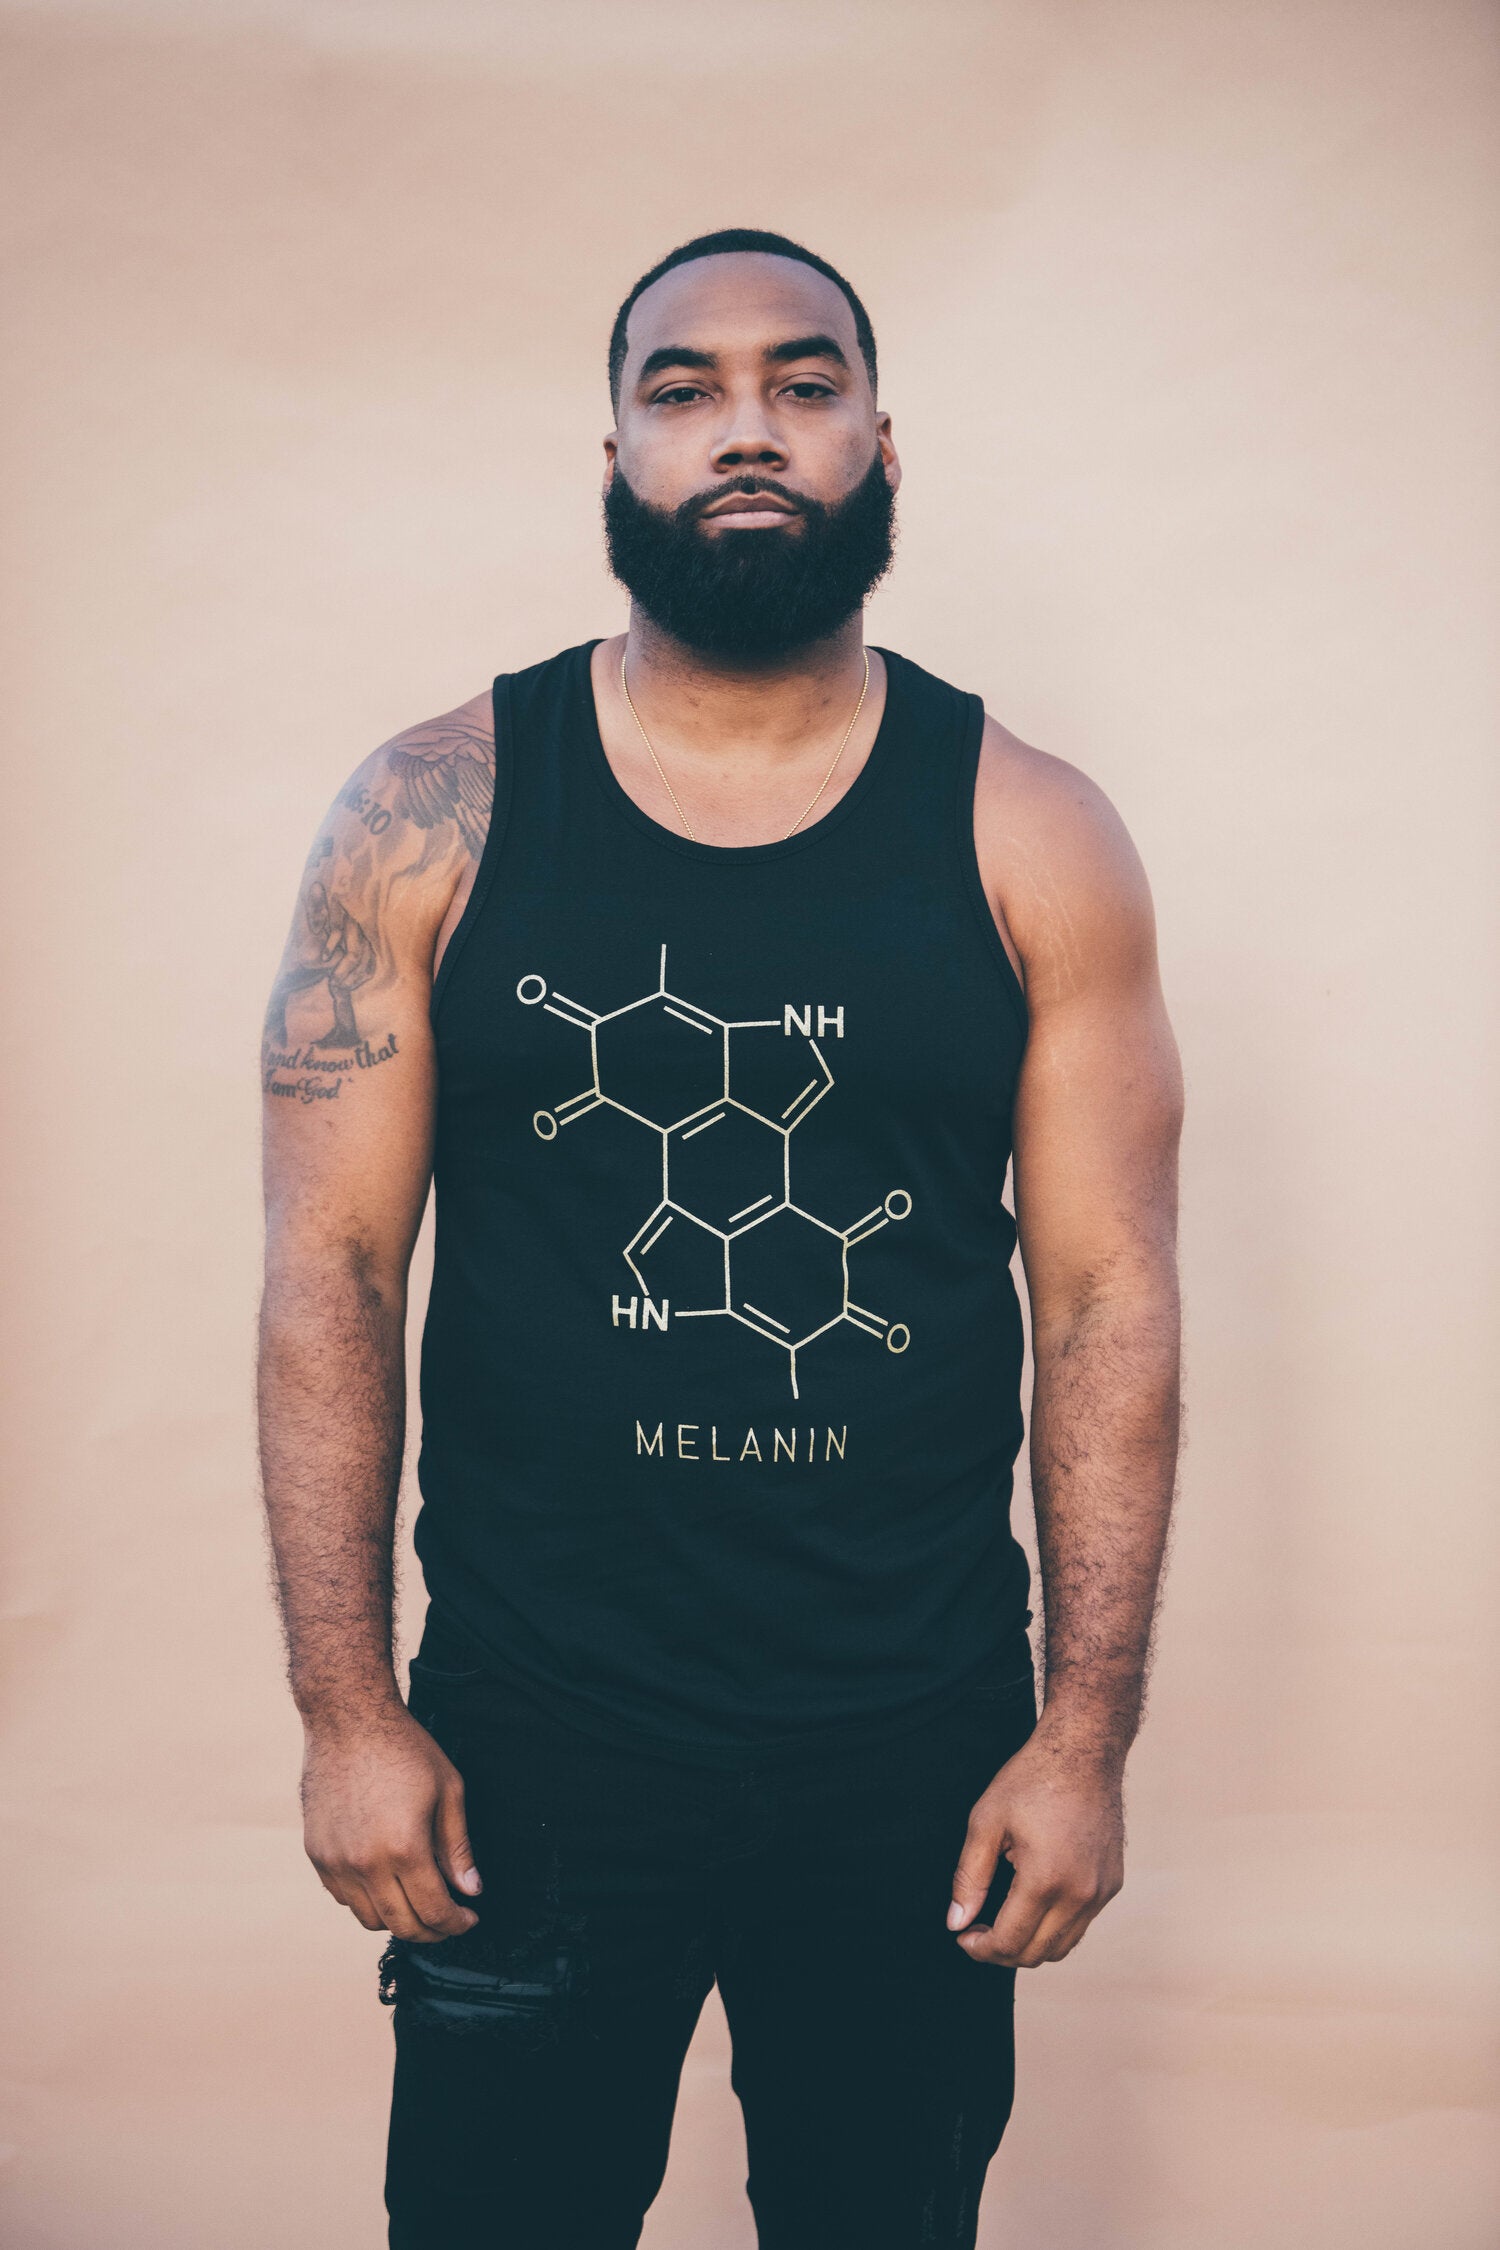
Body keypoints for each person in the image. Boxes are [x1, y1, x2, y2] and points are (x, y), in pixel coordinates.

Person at [258, 227, 1183, 2250]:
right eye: (683, 390)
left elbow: (1108, 1298)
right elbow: (333, 1273)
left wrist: (1082, 1737)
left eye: (802, 382)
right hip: (530, 1740)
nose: (744, 427)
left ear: (879, 445)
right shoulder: (434, 811)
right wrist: (348, 1713)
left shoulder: (1031, 828)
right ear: (615, 456)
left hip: (914, 1751)